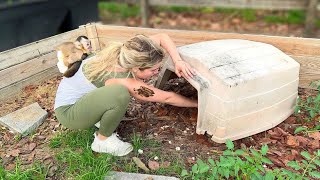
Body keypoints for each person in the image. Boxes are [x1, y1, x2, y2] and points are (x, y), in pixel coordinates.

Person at [54, 33, 198, 156]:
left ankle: (99, 113)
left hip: (81, 98)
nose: (157, 72)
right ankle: (102, 141)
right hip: (69, 113)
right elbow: (167, 97)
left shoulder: (129, 52)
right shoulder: (123, 78)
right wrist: (198, 104)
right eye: (154, 70)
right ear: (136, 68)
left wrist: (178, 61)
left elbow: (162, 37)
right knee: (119, 94)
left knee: (115, 93)